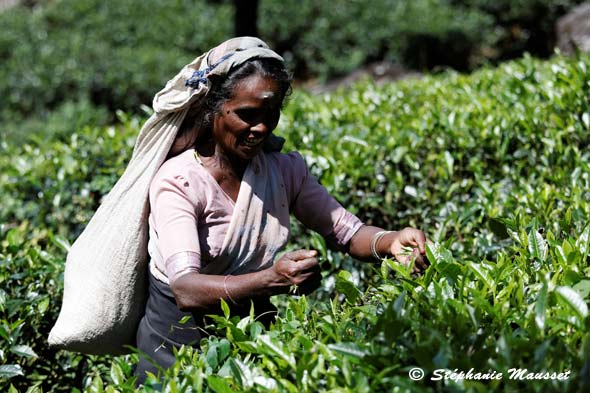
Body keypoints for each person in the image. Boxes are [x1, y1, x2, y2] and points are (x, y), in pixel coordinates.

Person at [135, 37, 429, 384]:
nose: (260, 128)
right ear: (215, 107)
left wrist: (390, 242)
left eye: (269, 114)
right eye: (246, 115)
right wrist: (273, 280)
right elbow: (186, 289)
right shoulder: (180, 182)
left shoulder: (283, 171)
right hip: (177, 347)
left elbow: (347, 232)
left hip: (254, 336)